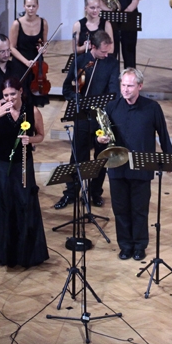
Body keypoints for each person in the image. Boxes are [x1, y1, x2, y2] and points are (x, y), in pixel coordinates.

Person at [98, 68, 172, 261]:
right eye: (123, 85)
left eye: (130, 86)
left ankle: (140, 246)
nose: (125, 89)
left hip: (141, 168)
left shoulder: (152, 107)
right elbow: (102, 134)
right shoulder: (112, 107)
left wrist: (170, 159)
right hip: (117, 167)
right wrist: (100, 139)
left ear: (140, 86)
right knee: (120, 209)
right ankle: (125, 246)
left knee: (140, 210)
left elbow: (163, 134)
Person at [0, 78, 48, 268]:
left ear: (21, 91)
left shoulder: (32, 111)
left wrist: (30, 140)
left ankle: (24, 252)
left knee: (23, 203)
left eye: (13, 94)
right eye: (5, 95)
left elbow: (41, 135)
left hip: (22, 164)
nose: (9, 98)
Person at [53, 30, 120, 210]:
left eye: (108, 51)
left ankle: (95, 193)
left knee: (101, 157)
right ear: (92, 47)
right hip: (82, 117)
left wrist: (106, 108)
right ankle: (71, 192)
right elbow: (67, 89)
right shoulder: (80, 62)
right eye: (103, 52)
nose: (106, 55)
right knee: (77, 157)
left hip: (101, 118)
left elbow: (114, 91)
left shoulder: (112, 63)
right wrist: (77, 98)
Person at [9, 0, 50, 107]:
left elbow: (45, 42)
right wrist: (26, 62)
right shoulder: (17, 24)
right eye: (28, 6)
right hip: (20, 62)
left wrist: (43, 48)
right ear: (24, 6)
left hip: (37, 63)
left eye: (33, 6)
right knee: (22, 96)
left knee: (35, 98)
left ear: (37, 6)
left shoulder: (43, 22)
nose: (31, 9)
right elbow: (12, 47)